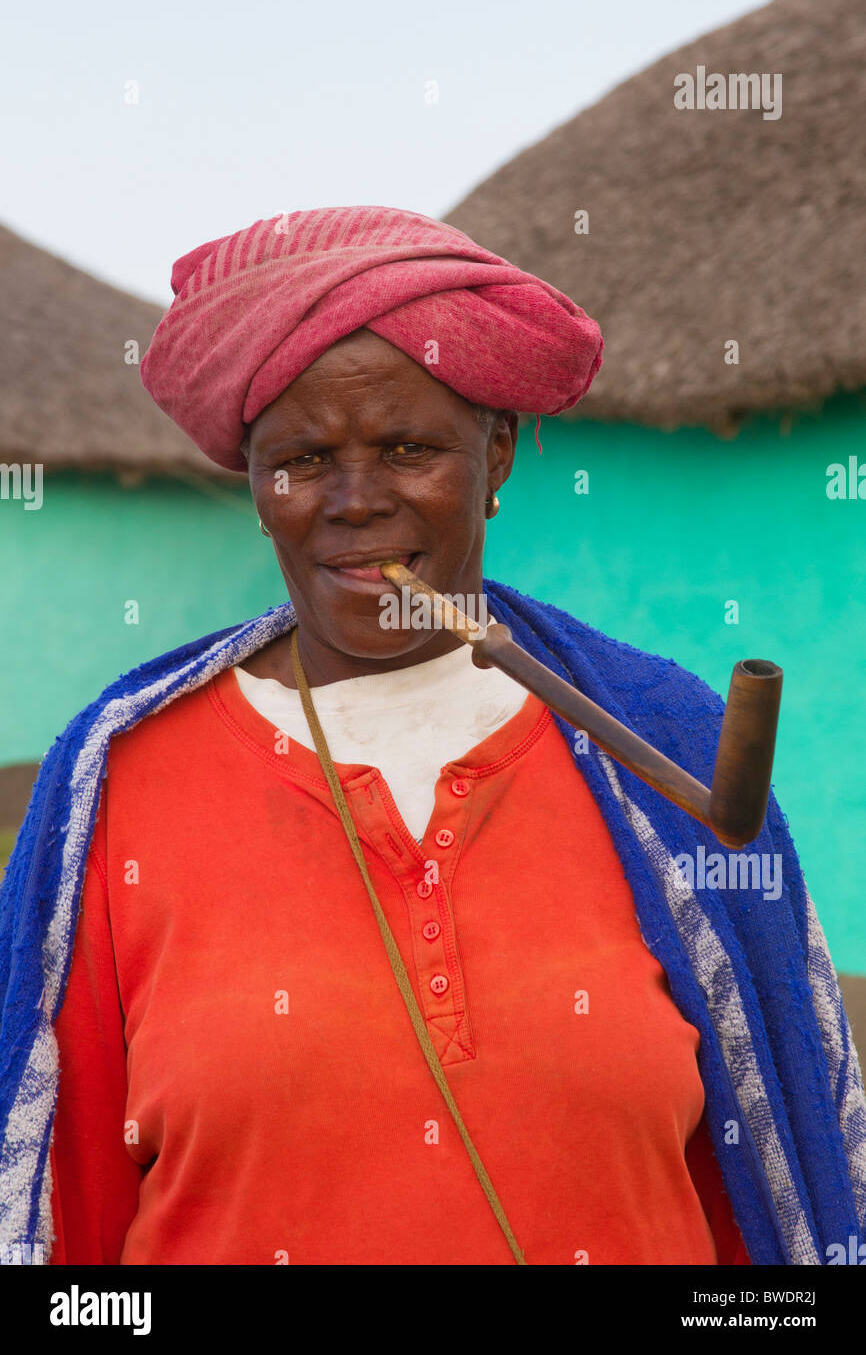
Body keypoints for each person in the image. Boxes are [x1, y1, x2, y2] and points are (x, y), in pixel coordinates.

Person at [1, 206, 863, 1267]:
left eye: (409, 449)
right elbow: (63, 1219)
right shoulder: (118, 783)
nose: (355, 502)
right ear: (256, 488)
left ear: (496, 455)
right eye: (302, 459)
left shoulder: (667, 755)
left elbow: (764, 1200)